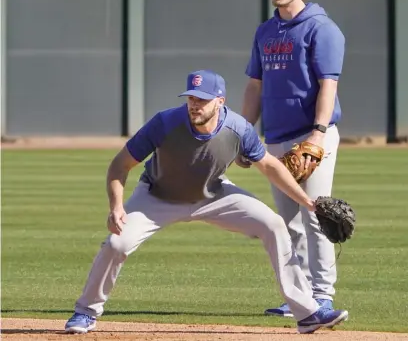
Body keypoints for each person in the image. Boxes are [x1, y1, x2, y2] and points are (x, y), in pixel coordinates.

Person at [65, 70, 348, 335]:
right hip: (157, 197)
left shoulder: (238, 128)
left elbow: (270, 166)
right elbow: (118, 166)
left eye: (202, 99)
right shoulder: (165, 123)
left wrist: (308, 203)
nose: (195, 105)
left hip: (214, 195)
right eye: (191, 98)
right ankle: (85, 311)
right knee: (116, 244)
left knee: (274, 224)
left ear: (220, 101)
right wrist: (116, 207)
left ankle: (307, 312)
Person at [238, 0, 346, 318]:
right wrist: (242, 133)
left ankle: (323, 294)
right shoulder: (265, 31)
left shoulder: (321, 28)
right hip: (276, 138)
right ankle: (299, 297)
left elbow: (328, 85)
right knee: (287, 223)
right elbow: (255, 85)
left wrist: (317, 133)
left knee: (315, 216)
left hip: (311, 136)